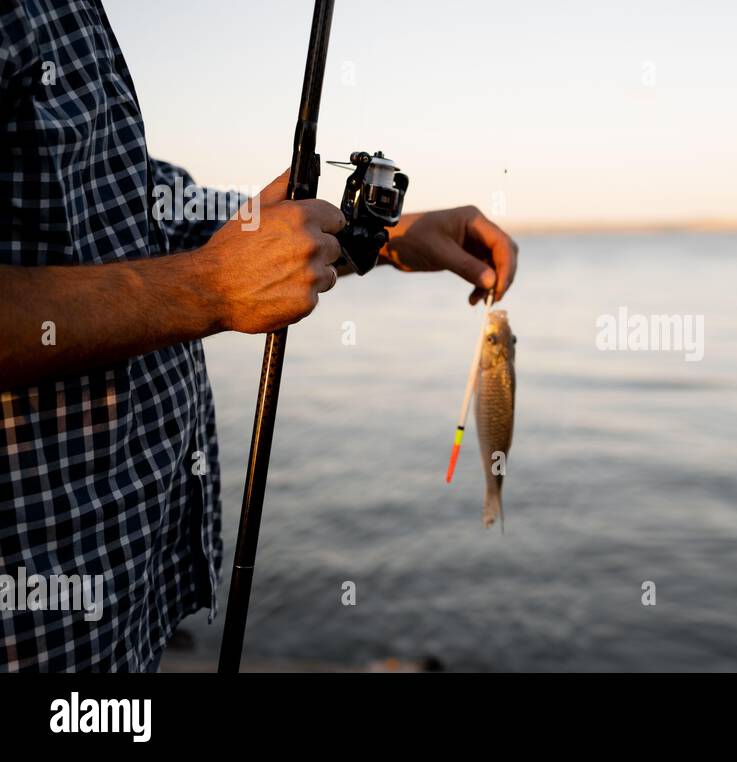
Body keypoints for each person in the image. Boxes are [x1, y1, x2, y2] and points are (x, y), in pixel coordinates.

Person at [0, 0, 518, 671]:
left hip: (127, 611)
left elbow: (139, 208)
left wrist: (379, 236)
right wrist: (208, 288)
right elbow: (202, 266)